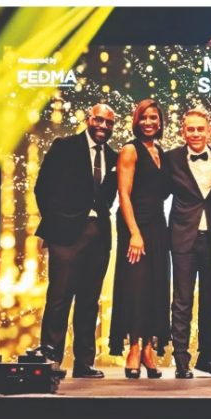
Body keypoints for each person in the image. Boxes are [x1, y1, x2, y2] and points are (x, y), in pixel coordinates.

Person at [35, 103, 118, 379]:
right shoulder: (65, 146)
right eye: (99, 120)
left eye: (109, 123)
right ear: (89, 119)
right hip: (66, 235)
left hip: (99, 235)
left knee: (89, 301)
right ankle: (50, 361)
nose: (103, 126)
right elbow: (42, 187)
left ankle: (84, 363)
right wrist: (56, 223)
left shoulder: (114, 156)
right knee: (59, 299)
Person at [109, 99, 170, 379]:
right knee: (135, 288)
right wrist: (134, 233)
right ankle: (133, 348)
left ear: (160, 122)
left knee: (156, 287)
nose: (149, 122)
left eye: (153, 117)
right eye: (144, 117)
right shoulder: (130, 150)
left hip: (158, 226)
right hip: (135, 226)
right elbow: (124, 194)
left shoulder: (160, 152)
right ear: (136, 121)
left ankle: (148, 349)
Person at [167, 108, 211, 379]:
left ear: (209, 130)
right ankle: (181, 359)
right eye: (190, 129)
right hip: (183, 237)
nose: (196, 133)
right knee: (182, 300)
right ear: (183, 131)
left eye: (200, 129)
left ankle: (207, 356)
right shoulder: (171, 159)